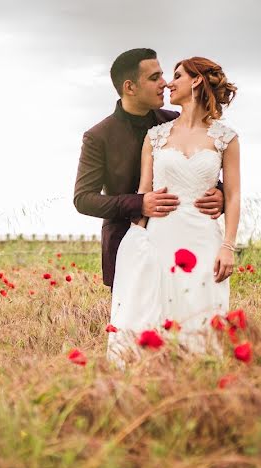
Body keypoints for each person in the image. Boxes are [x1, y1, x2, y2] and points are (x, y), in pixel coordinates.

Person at [107, 56, 240, 363]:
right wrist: (134, 241)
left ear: (196, 81)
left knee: (201, 320)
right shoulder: (156, 136)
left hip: (205, 241)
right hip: (160, 239)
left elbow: (232, 196)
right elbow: (144, 191)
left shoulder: (226, 138)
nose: (168, 82)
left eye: (177, 76)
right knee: (157, 317)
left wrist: (228, 246)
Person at [73, 48, 225, 290]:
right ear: (130, 87)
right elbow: (83, 199)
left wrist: (220, 194)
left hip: (183, 245)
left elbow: (197, 169)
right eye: (154, 78)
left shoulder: (173, 122)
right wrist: (139, 203)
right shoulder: (98, 136)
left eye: (163, 75)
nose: (164, 84)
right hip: (127, 246)